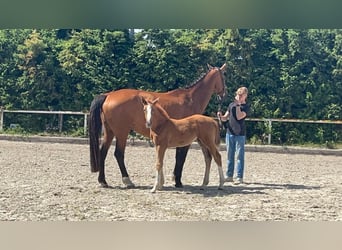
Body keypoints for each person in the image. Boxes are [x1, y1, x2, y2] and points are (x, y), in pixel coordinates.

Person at [217, 86, 250, 184]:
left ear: (245, 96)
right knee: (229, 155)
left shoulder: (246, 107)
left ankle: (239, 176)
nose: (239, 96)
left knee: (239, 156)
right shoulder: (231, 105)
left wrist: (239, 105)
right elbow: (225, 118)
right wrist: (220, 116)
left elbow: (240, 117)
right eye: (238, 94)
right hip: (230, 133)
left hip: (240, 134)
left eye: (241, 95)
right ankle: (229, 175)